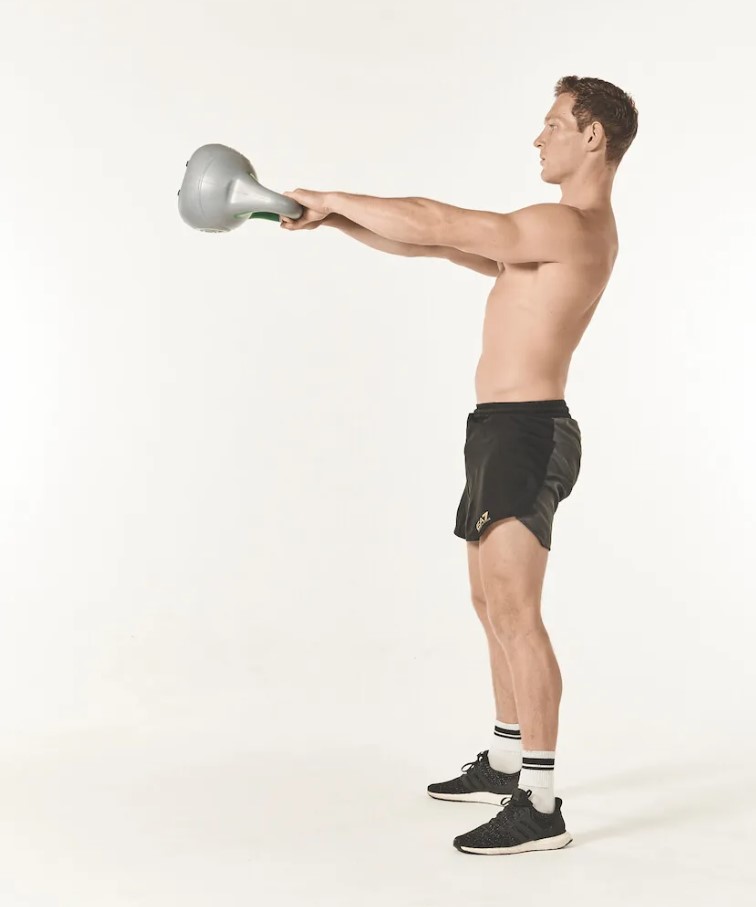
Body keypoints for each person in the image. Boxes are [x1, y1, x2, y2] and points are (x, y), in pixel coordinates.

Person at [279, 74, 639, 855]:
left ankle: (539, 803)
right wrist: (334, 220)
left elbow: (439, 216)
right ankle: (509, 756)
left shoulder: (571, 226)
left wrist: (334, 191)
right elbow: (435, 240)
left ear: (592, 138)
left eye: (552, 124)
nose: (537, 137)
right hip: (495, 429)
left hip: (529, 433)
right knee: (488, 601)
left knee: (516, 609)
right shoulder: (545, 236)